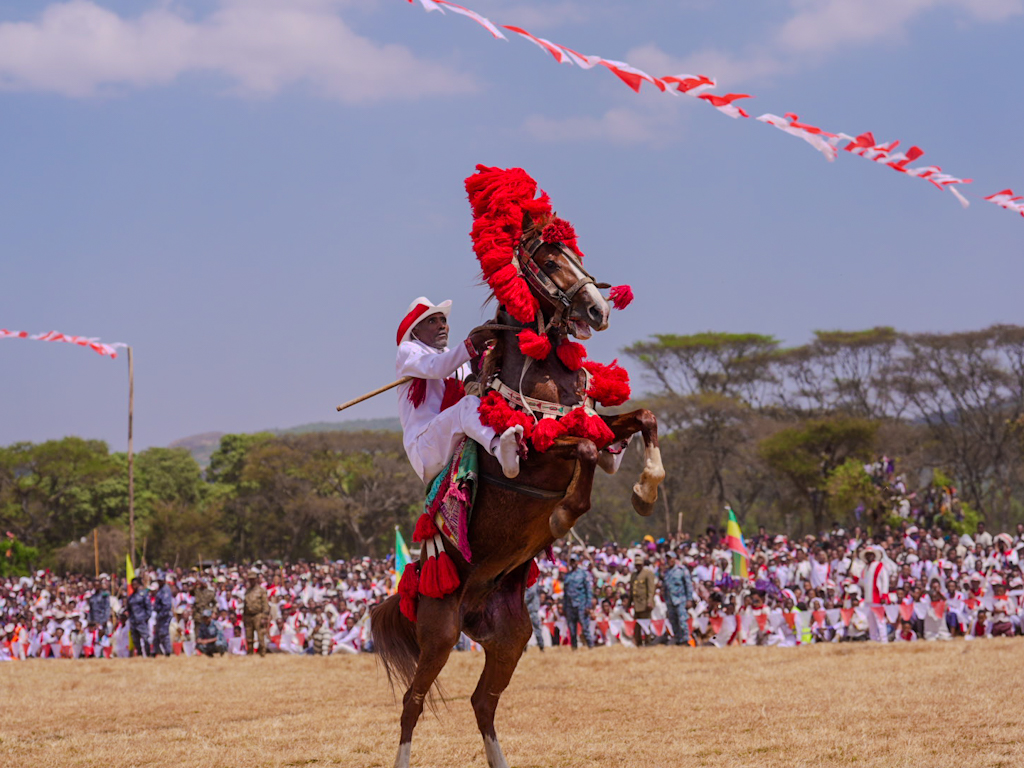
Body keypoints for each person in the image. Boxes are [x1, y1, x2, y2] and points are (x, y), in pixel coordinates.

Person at [395, 297, 523, 484]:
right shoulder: (409, 350)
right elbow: (438, 368)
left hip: (450, 436)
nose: (441, 326)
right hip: (425, 447)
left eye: (443, 320)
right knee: (468, 405)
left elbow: (473, 388)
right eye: (432, 321)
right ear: (415, 331)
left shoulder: (452, 358)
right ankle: (499, 449)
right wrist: (473, 342)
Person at [661, 550, 693, 646]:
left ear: (674, 559)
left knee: (682, 621)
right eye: (667, 558)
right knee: (673, 621)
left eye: (670, 558)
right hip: (670, 601)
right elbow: (665, 588)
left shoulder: (681, 570)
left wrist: (689, 599)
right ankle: (678, 639)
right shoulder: (667, 572)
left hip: (680, 600)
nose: (668, 560)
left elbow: (688, 585)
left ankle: (685, 640)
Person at [562, 556, 593, 650]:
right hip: (570, 606)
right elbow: (565, 594)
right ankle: (574, 649)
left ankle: (591, 647)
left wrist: (588, 605)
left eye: (574, 561)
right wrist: (564, 607)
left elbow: (589, 591)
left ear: (578, 562)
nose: (573, 563)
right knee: (572, 630)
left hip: (581, 605)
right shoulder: (567, 576)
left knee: (585, 628)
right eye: (571, 561)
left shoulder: (583, 574)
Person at [630, 555, 657, 646]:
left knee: (646, 625)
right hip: (636, 604)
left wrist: (649, 601)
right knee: (637, 627)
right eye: (636, 565)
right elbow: (631, 590)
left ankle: (648, 643)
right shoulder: (634, 575)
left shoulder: (647, 573)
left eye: (639, 565)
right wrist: (629, 603)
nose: (638, 567)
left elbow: (651, 589)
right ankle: (639, 643)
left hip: (645, 604)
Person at [242, 570, 270, 656]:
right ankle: (250, 653)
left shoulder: (261, 590)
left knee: (260, 635)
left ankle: (262, 653)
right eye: (250, 579)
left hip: (258, 615)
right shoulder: (247, 591)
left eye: (253, 579)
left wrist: (264, 617)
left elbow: (265, 604)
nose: (252, 581)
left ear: (256, 579)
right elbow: (245, 604)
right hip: (248, 615)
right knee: (249, 636)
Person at [126, 578, 152, 657]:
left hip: (142, 620)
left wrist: (145, 618)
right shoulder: (130, 597)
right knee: (136, 640)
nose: (134, 586)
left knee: (146, 639)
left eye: (135, 584)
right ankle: (140, 655)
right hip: (134, 622)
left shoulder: (143, 595)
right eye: (132, 584)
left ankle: (148, 654)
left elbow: (148, 608)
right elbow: (129, 609)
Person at [151, 576, 174, 656]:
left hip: (164, 616)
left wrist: (160, 615)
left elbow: (166, 606)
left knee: (164, 634)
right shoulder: (160, 589)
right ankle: (154, 651)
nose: (159, 582)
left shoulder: (165, 590)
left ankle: (168, 651)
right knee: (157, 634)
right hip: (159, 615)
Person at [524, 580, 545, 651]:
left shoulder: (532, 579)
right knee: (524, 629)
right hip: (525, 609)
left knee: (536, 628)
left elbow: (531, 592)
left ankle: (541, 646)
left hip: (532, 609)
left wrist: (521, 600)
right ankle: (524, 648)